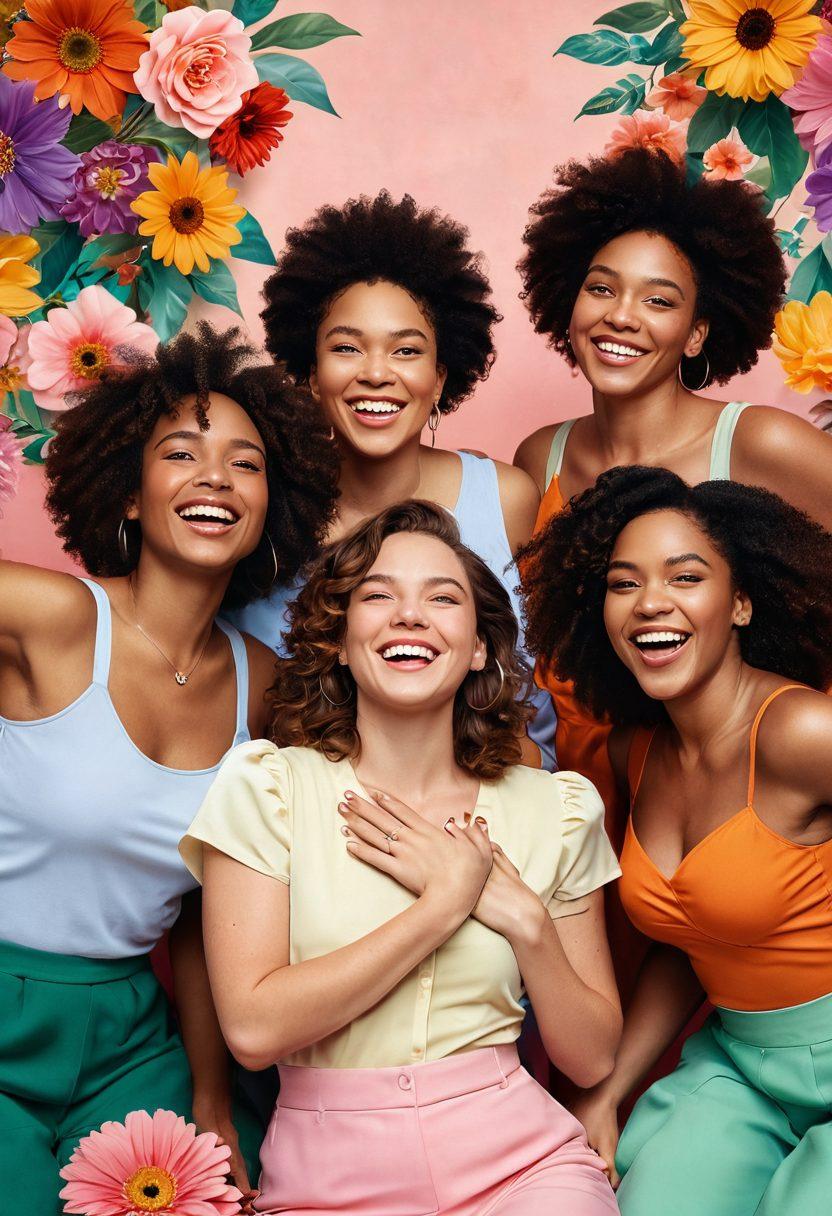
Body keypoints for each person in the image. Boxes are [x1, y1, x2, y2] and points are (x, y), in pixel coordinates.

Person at [182, 500, 622, 1215]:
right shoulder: (269, 789)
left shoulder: (556, 809)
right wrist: (444, 904)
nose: (410, 616)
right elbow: (254, 1031)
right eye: (378, 596)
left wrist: (527, 923)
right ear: (340, 640)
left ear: (478, 647)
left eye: (442, 598)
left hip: (523, 1167)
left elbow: (592, 1055)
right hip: (328, 1183)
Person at [0, 324, 338, 1209]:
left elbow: (202, 909)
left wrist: (211, 1097)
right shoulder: (48, 617)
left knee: (226, 1190)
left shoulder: (262, 691)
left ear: (273, 506)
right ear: (129, 495)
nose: (215, 478)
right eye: (180, 453)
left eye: (245, 463)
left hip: (125, 1034)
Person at [521, 465, 832, 1215]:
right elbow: (689, 942)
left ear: (743, 603)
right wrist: (607, 1092)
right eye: (623, 584)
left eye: (685, 577)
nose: (650, 603)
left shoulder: (801, 733)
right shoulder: (640, 753)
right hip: (739, 1068)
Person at [514, 146, 832, 824]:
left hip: (737, 799)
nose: (621, 316)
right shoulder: (541, 456)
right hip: (579, 793)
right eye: (601, 288)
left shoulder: (760, 443)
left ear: (697, 333)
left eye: (659, 300)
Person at [229, 191, 554, 768]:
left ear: (439, 378)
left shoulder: (506, 497)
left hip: (503, 806)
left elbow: (539, 695)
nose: (376, 373)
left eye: (406, 351)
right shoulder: (262, 509)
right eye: (347, 348)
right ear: (310, 373)